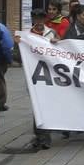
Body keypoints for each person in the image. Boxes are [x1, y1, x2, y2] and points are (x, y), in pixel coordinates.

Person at [15, 8, 58, 150]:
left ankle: (44, 136)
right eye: (36, 18)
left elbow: (60, 52)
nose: (38, 21)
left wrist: (56, 42)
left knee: (45, 105)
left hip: (48, 75)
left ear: (44, 19)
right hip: (33, 75)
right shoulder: (26, 35)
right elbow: (17, 57)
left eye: (41, 18)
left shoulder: (51, 33)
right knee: (36, 105)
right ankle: (40, 135)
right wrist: (18, 45)